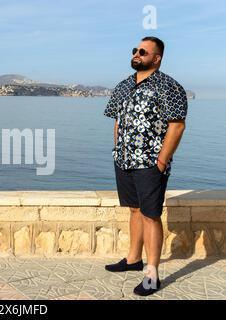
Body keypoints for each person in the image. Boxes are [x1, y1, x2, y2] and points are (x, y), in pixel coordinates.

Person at [103, 36, 188, 296]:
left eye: (143, 51)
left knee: (151, 215)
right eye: (134, 50)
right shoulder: (123, 85)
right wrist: (118, 148)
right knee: (134, 210)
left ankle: (152, 273)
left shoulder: (169, 87)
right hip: (124, 159)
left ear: (157, 57)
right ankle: (132, 260)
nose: (136, 54)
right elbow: (117, 119)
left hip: (150, 163)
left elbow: (177, 125)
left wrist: (161, 161)